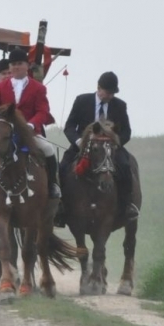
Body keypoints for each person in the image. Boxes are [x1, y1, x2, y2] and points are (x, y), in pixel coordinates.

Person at [0, 48, 59, 215]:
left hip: (29, 133)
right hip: (5, 134)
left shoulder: (38, 88)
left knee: (48, 149)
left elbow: (42, 111)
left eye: (20, 64)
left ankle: (53, 185)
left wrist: (31, 125)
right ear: (10, 67)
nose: (16, 67)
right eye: (13, 64)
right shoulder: (2, 86)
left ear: (27, 66)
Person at [63, 71, 137, 220]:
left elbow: (126, 132)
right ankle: (61, 206)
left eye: (112, 93)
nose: (110, 96)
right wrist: (79, 142)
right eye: (107, 92)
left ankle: (127, 205)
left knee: (125, 165)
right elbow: (69, 126)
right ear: (99, 87)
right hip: (83, 146)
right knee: (63, 166)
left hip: (110, 148)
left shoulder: (120, 106)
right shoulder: (82, 101)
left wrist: (116, 144)